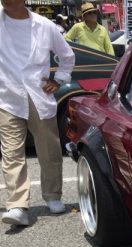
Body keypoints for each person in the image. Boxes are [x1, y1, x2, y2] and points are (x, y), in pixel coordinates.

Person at [0, 0, 75, 227]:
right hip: (7, 96)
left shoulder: (44, 25)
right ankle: (17, 205)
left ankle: (53, 196)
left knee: (49, 150)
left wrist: (59, 80)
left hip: (38, 94)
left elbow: (67, 56)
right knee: (11, 152)